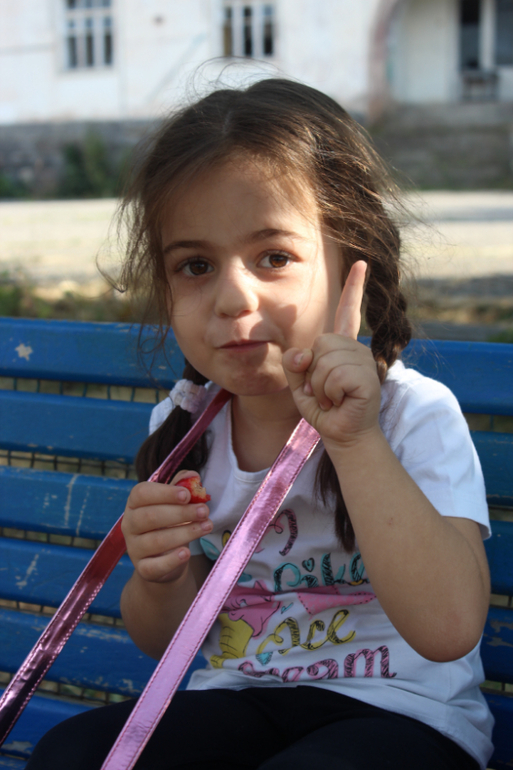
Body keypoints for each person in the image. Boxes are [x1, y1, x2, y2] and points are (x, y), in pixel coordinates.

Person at [26, 78, 493, 770]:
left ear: (350, 263)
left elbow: (448, 629)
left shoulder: (408, 414)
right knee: (70, 754)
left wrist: (355, 442)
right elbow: (162, 642)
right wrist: (160, 576)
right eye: (195, 265)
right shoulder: (184, 427)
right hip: (242, 699)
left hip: (405, 714)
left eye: (273, 257)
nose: (232, 296)